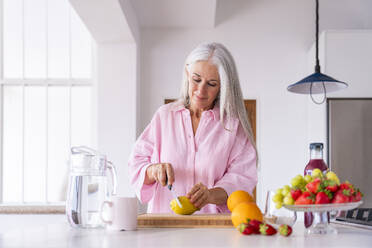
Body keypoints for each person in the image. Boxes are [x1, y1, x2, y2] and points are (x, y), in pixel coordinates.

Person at [128, 42, 257, 213]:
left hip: (213, 232)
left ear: (222, 87)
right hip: (164, 228)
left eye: (211, 84)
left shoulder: (232, 126)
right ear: (187, 73)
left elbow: (243, 177)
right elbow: (136, 161)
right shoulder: (164, 116)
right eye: (196, 80)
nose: (201, 90)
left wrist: (210, 195)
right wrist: (153, 170)